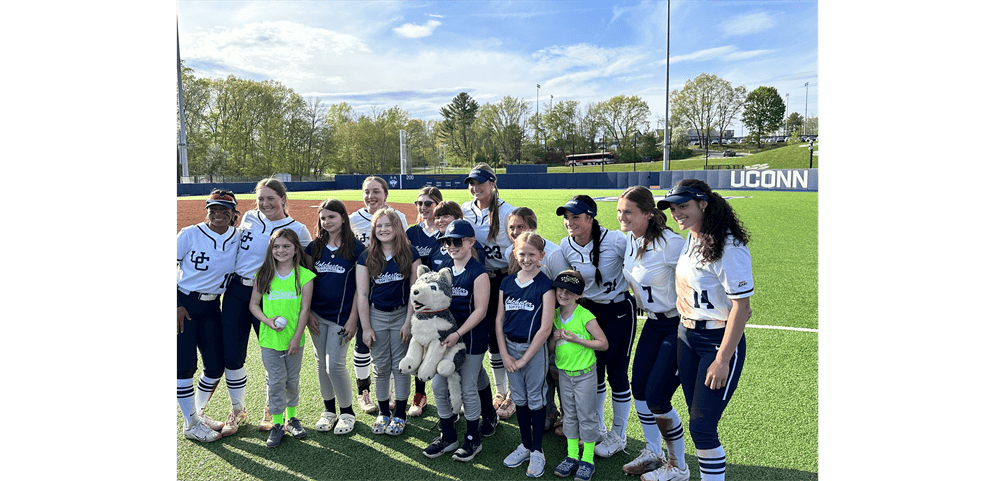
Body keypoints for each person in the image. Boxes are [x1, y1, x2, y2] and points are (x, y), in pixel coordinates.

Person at [656, 179, 754, 481]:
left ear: (703, 204)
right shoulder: (692, 237)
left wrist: (722, 359)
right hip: (687, 335)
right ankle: (679, 469)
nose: (676, 213)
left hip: (716, 340)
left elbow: (742, 308)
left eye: (683, 206)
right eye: (673, 208)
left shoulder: (729, 246)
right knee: (693, 414)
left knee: (702, 426)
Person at [220, 178, 311, 435]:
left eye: (271, 198)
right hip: (238, 291)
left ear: (283, 199)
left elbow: (306, 269)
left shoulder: (298, 229)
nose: (265, 203)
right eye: (261, 198)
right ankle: (237, 409)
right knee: (233, 354)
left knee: (276, 354)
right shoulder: (249, 217)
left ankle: (273, 408)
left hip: (273, 295)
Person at [615, 186, 690, 480]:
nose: (622, 216)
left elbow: (697, 276)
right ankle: (653, 452)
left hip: (677, 324)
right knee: (639, 388)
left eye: (628, 212)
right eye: (619, 211)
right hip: (653, 323)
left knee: (657, 395)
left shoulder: (671, 243)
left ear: (648, 213)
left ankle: (678, 465)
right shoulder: (630, 241)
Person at [555, 195, 636, 458]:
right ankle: (598, 428)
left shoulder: (616, 240)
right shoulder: (565, 245)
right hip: (588, 312)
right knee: (594, 371)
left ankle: (619, 435)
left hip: (618, 310)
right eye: (567, 217)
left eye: (575, 217)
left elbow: (638, 263)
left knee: (618, 373)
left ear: (590, 218)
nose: (569, 222)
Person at [421, 220, 491, 462]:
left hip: (470, 339)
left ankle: (473, 438)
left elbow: (480, 311)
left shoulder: (479, 273)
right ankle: (448, 436)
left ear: (471, 242)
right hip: (446, 341)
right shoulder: (445, 270)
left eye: (457, 241)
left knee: (468, 386)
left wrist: (458, 333)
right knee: (438, 386)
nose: (451, 246)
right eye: (447, 241)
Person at [176, 190, 241, 443]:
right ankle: (190, 423)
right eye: (213, 209)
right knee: (184, 367)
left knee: (214, 367)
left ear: (234, 214)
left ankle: (197, 414)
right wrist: (176, 305)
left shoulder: (238, 238)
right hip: (183, 304)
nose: (218, 214)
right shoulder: (189, 234)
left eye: (225, 210)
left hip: (212, 306)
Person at [248, 228, 316, 448]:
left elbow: (305, 310)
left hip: (294, 340)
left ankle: (292, 419)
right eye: (276, 246)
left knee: (292, 380)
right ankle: (277, 423)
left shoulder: (304, 276)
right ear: (271, 249)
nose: (281, 250)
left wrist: (297, 338)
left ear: (296, 249)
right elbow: (253, 305)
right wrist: (267, 321)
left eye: (287, 246)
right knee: (276, 381)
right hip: (270, 340)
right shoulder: (264, 274)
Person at [356, 207, 421, 436]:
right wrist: (366, 328)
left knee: (401, 366)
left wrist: (408, 321)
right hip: (377, 315)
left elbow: (415, 290)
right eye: (379, 226)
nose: (383, 229)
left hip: (402, 313)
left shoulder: (410, 252)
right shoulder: (366, 256)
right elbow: (362, 294)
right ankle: (384, 412)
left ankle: (400, 414)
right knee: (381, 366)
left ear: (397, 228)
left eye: (388, 225)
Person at [461, 164, 517, 427]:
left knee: (504, 336)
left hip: (503, 278)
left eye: (480, 183)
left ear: (493, 184)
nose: (475, 188)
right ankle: (498, 390)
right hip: (476, 279)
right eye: (471, 183)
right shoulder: (465, 209)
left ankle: (511, 392)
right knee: (483, 336)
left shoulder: (507, 211)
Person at [496, 232, 555, 479]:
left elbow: (545, 328)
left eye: (532, 254)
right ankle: (525, 444)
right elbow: (499, 320)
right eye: (522, 254)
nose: (527, 259)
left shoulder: (545, 284)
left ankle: (537, 450)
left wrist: (523, 359)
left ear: (541, 255)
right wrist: (504, 354)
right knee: (519, 398)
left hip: (534, 350)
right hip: (510, 349)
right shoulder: (507, 283)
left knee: (535, 398)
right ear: (514, 254)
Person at [503, 207, 570, 425]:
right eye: (511, 227)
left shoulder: (552, 253)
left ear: (532, 226)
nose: (515, 231)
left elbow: (564, 288)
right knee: (541, 372)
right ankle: (549, 411)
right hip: (528, 318)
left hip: (552, 317)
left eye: (520, 226)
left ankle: (568, 416)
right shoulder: (511, 251)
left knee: (556, 368)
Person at [304, 199, 364, 435]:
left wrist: (353, 319)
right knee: (321, 363)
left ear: (343, 218)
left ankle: (347, 412)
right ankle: (329, 411)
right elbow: (306, 282)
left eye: (332, 217)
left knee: (335, 365)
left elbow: (361, 288)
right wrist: (308, 313)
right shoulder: (314, 247)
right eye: (323, 218)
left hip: (342, 316)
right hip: (317, 315)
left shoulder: (356, 248)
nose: (327, 221)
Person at [350, 176, 408, 414]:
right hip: (363, 284)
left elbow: (405, 251)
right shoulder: (353, 219)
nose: (370, 196)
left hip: (394, 289)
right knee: (364, 341)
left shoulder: (398, 217)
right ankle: (363, 390)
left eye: (376, 191)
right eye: (366, 191)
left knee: (395, 352)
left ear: (385, 194)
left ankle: (392, 395)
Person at [548, 270, 608, 481]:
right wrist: (554, 338)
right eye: (560, 289)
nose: (563, 294)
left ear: (578, 295)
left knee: (586, 416)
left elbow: (603, 343)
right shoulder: (554, 315)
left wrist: (577, 340)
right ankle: (572, 456)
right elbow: (551, 349)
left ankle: (588, 459)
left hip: (585, 375)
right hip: (564, 374)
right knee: (570, 416)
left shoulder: (585, 315)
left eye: (570, 291)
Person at [405, 186, 444, 417]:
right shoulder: (411, 232)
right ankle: (419, 394)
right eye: (419, 203)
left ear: (438, 205)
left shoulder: (446, 231)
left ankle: (450, 395)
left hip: (442, 300)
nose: (423, 207)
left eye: (428, 203)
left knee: (443, 347)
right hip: (419, 300)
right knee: (418, 345)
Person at [430, 200, 487, 272]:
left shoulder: (472, 246)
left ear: (459, 218)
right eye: (437, 218)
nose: (440, 220)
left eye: (446, 216)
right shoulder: (436, 243)